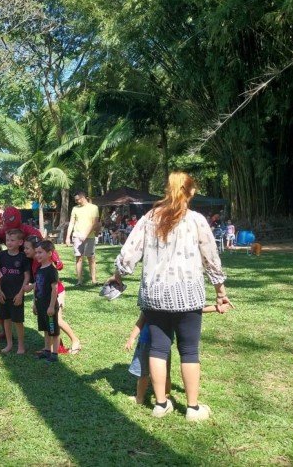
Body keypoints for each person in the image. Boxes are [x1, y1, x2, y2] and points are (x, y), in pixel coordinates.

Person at [108, 171, 231, 421]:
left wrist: (118, 276)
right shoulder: (196, 220)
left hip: (154, 295)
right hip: (188, 295)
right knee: (189, 351)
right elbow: (211, 259)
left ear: (167, 190)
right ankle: (193, 409)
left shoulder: (149, 218)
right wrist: (221, 293)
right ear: (192, 191)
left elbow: (128, 252)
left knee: (158, 349)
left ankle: (160, 404)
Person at [125, 303, 232, 405]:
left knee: (154, 374)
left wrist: (216, 307)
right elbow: (141, 320)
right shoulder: (156, 305)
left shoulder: (157, 302)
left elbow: (195, 308)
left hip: (158, 346)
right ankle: (142, 398)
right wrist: (131, 338)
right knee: (145, 374)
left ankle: (163, 398)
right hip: (148, 344)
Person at [23, 236, 81, 354]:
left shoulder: (45, 263)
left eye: (27, 248)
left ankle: (75, 341)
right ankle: (48, 348)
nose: (25, 250)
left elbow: (53, 285)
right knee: (47, 322)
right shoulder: (36, 263)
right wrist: (33, 294)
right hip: (44, 295)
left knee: (57, 320)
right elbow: (39, 282)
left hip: (56, 293)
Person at [0, 228, 30, 354]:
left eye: (12, 240)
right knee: (6, 319)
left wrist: (21, 293)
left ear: (20, 242)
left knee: (17, 321)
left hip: (17, 295)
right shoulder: (1, 256)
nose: (9, 242)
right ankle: (9, 344)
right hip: (4, 293)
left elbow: (27, 276)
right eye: (7, 240)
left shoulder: (23, 257)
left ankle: (21, 346)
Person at [31, 240, 60, 363]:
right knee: (45, 329)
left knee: (53, 331)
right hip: (40, 304)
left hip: (49, 306)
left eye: (40, 252)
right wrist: (34, 303)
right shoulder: (39, 269)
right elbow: (36, 286)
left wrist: (52, 306)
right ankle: (47, 350)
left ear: (49, 253)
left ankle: (54, 354)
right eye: (36, 252)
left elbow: (55, 289)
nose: (37, 255)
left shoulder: (51, 270)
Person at [65, 191, 100, 286]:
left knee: (91, 258)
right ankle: (79, 281)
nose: (76, 202)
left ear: (83, 197)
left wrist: (85, 235)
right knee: (78, 258)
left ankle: (94, 280)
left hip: (90, 237)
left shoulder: (94, 208)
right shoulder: (75, 209)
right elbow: (71, 223)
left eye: (77, 200)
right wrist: (68, 237)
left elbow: (95, 223)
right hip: (77, 236)